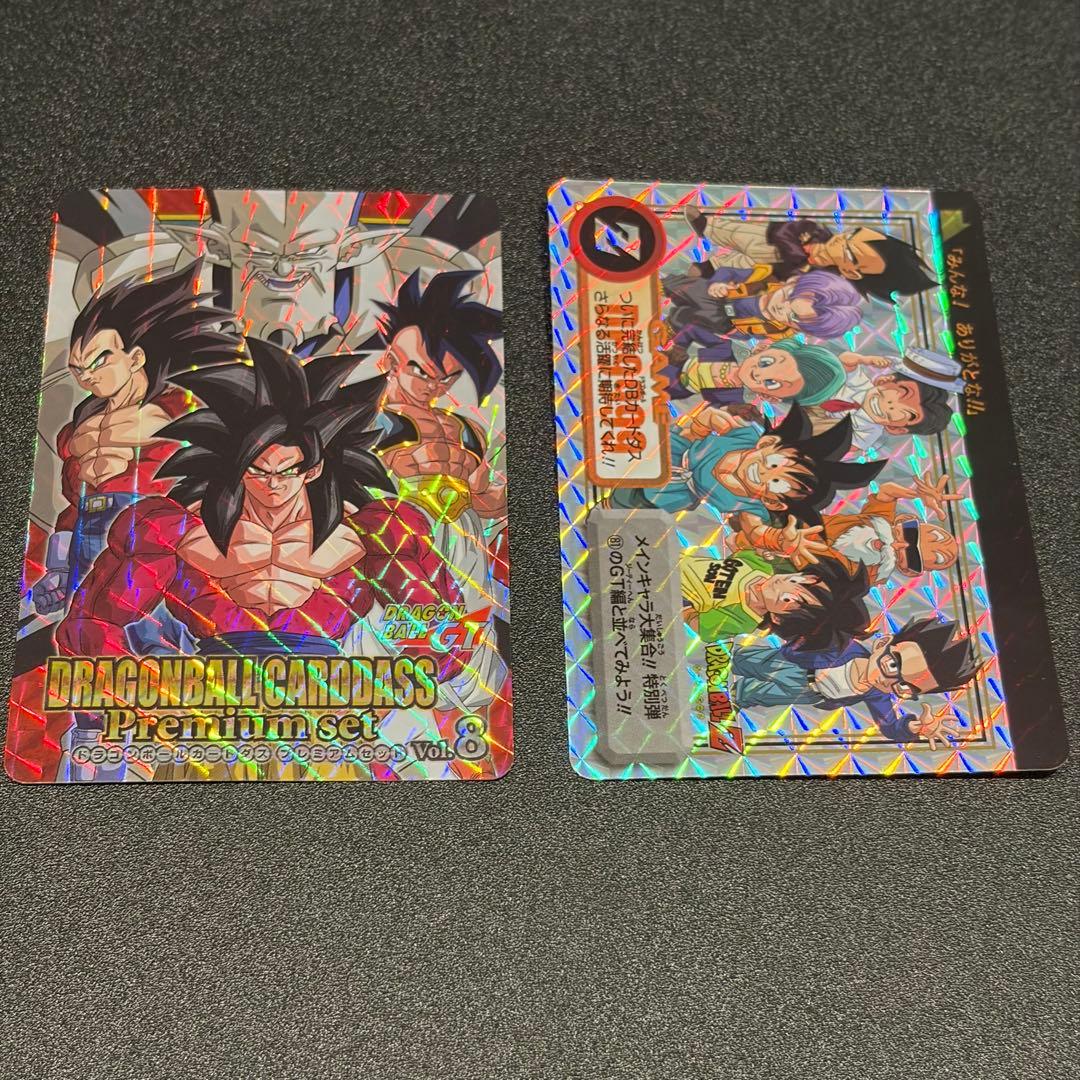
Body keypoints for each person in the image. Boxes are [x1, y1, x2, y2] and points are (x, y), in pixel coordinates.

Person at [56, 338, 470, 781]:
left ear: (313, 469)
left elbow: (445, 633)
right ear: (237, 465)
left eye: (287, 469)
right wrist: (153, 697)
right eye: (258, 469)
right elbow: (87, 628)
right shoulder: (173, 532)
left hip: (325, 722)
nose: (273, 483)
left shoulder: (374, 534)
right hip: (208, 722)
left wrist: (377, 698)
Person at [608, 403, 886, 527]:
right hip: (674, 449)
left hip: (670, 494)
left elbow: (755, 529)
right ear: (768, 443)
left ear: (774, 502)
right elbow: (711, 418)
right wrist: (698, 428)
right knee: (620, 452)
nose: (766, 471)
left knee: (622, 506)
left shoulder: (753, 505)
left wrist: (779, 541)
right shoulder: (747, 437)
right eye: (774, 463)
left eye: (777, 482)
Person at [729, 616, 980, 747]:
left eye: (905, 686)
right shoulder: (844, 645)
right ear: (883, 644)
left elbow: (890, 727)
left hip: (810, 693)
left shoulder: (876, 695)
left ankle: (731, 698)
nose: (889, 681)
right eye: (893, 665)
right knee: (746, 660)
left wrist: (915, 728)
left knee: (757, 694)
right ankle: (721, 660)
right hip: (796, 665)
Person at [732, 469, 961, 583]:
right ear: (902, 521)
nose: (898, 544)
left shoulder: (866, 576)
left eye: (910, 555)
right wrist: (918, 494)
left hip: (776, 564)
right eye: (909, 535)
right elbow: (887, 492)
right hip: (786, 522)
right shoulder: (879, 521)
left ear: (907, 569)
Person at [684, 208, 938, 301]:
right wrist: (797, 253)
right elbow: (785, 230)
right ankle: (708, 227)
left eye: (850, 252)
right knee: (738, 233)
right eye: (851, 234)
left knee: (740, 266)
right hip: (765, 239)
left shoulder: (819, 275)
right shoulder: (815, 231)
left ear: (850, 272)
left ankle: (708, 267)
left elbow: (786, 282)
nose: (842, 240)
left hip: (766, 266)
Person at [681, 551, 870, 650]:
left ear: (778, 618)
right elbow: (737, 551)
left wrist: (683, 604)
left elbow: (700, 626)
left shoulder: (741, 618)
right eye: (799, 580)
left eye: (792, 598)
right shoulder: (763, 566)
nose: (785, 584)